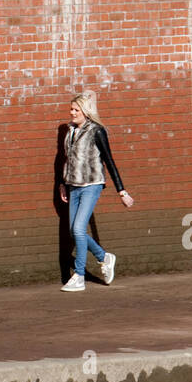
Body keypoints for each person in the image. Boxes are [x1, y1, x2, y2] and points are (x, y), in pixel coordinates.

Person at [59, 91, 134, 292]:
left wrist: (122, 192)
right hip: (73, 185)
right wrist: (62, 183)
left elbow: (109, 161)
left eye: (76, 109)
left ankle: (79, 275)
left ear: (85, 111)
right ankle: (104, 257)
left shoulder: (97, 131)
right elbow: (66, 160)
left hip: (92, 185)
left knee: (77, 229)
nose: (71, 112)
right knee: (75, 233)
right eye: (71, 109)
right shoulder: (70, 132)